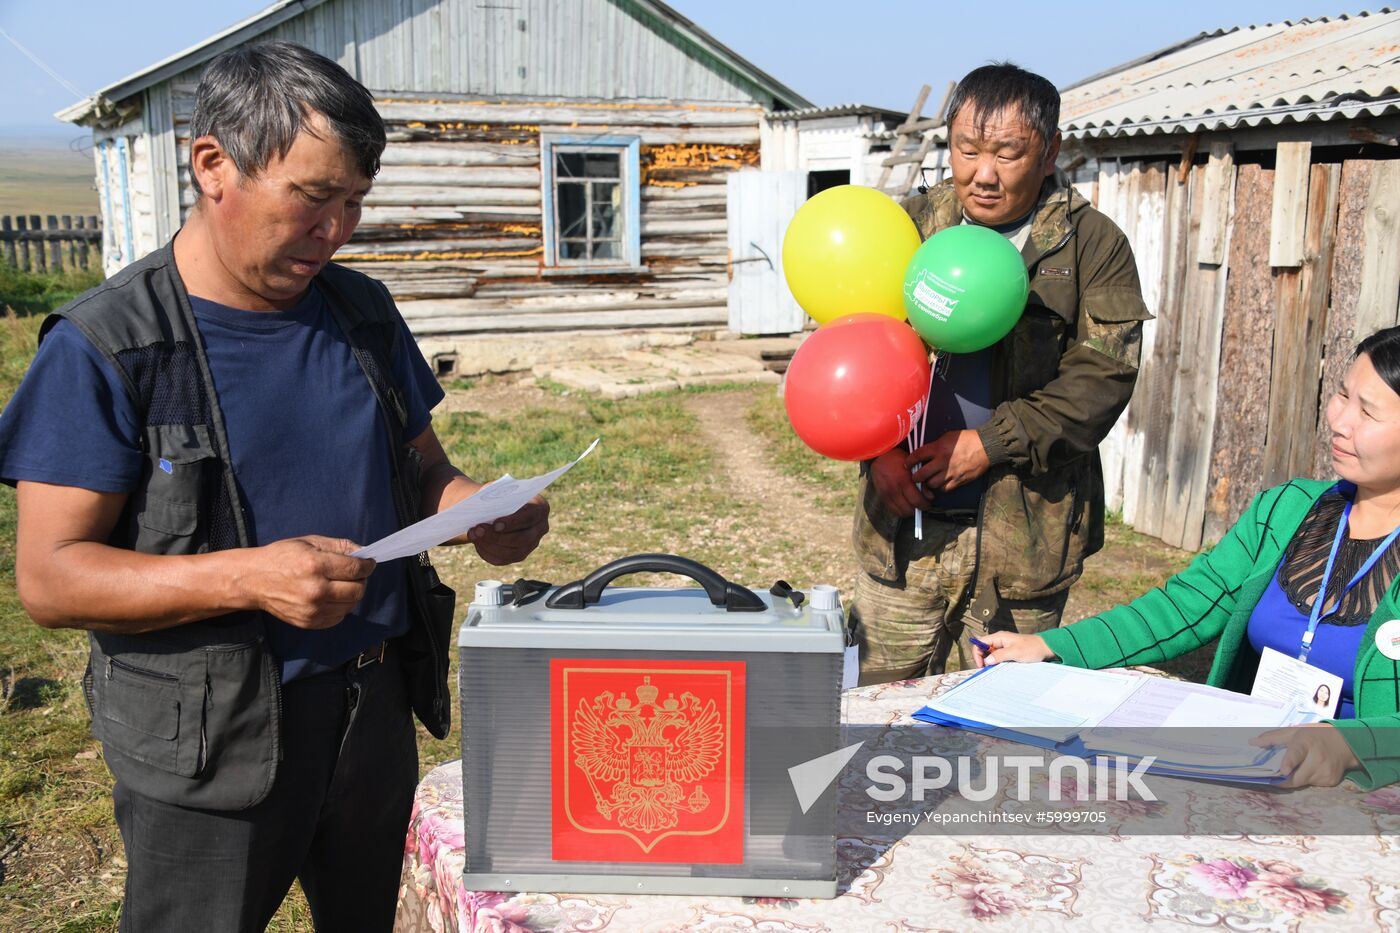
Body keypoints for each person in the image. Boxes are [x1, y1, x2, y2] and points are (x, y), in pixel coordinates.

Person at [0, 42, 549, 932]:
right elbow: (50, 576)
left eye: (356, 204)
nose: (337, 231)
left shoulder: (362, 312)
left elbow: (423, 468)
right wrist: (249, 577)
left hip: (373, 712)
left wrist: (480, 510)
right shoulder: (108, 348)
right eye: (314, 198)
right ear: (214, 164)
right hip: (209, 746)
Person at [975, 327, 1400, 790]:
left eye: (1368, 412)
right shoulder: (1286, 510)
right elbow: (1182, 607)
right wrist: (1054, 645)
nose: (1340, 421)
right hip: (1253, 771)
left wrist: (1347, 744)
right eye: (1342, 395)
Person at [850, 63, 1149, 683]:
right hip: (903, 531)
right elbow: (855, 352)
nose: (983, 174)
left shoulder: (1091, 246)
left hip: (1024, 543)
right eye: (967, 150)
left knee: (1000, 728)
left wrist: (990, 444)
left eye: (1008, 154)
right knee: (873, 710)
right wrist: (876, 453)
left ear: (1049, 152)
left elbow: (1103, 379)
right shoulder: (909, 226)